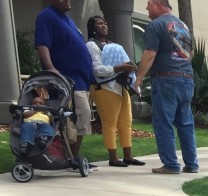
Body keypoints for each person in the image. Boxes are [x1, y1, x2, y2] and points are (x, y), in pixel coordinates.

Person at [134, 0, 199, 174]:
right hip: (186, 78)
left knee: (163, 123)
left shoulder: (156, 25)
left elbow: (149, 53)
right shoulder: (182, 25)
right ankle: (192, 164)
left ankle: (170, 164)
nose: (146, 7)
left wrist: (139, 78)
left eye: (149, 3)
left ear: (158, 4)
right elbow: (190, 52)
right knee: (185, 123)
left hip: (165, 80)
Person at [35, 0, 97, 169]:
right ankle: (69, 159)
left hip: (81, 81)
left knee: (79, 121)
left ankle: (71, 158)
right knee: (75, 119)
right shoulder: (46, 17)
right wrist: (51, 68)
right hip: (66, 81)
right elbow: (42, 44)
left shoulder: (67, 19)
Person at [86, 16, 145, 168]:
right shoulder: (92, 45)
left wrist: (130, 67)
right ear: (92, 28)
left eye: (105, 23)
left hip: (120, 86)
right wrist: (120, 68)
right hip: (104, 87)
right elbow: (97, 70)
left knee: (126, 122)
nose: (104, 25)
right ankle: (113, 158)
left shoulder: (112, 44)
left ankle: (128, 156)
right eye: (100, 23)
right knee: (109, 123)